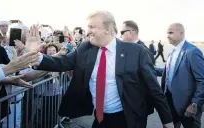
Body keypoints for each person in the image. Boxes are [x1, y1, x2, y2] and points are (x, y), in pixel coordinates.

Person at [27, 11, 174, 128]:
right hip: (100, 118)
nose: (87, 31)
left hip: (129, 118)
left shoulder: (136, 51)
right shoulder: (85, 48)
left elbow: (154, 88)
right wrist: (35, 54)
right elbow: (61, 63)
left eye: (92, 27)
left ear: (108, 30)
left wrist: (167, 122)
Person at [161, 23, 204, 128]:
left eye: (171, 32)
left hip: (188, 106)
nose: (167, 35)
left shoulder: (192, 52)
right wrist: (148, 69)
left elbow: (202, 80)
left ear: (181, 33)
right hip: (170, 102)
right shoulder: (173, 52)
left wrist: (194, 103)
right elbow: (169, 72)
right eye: (167, 33)